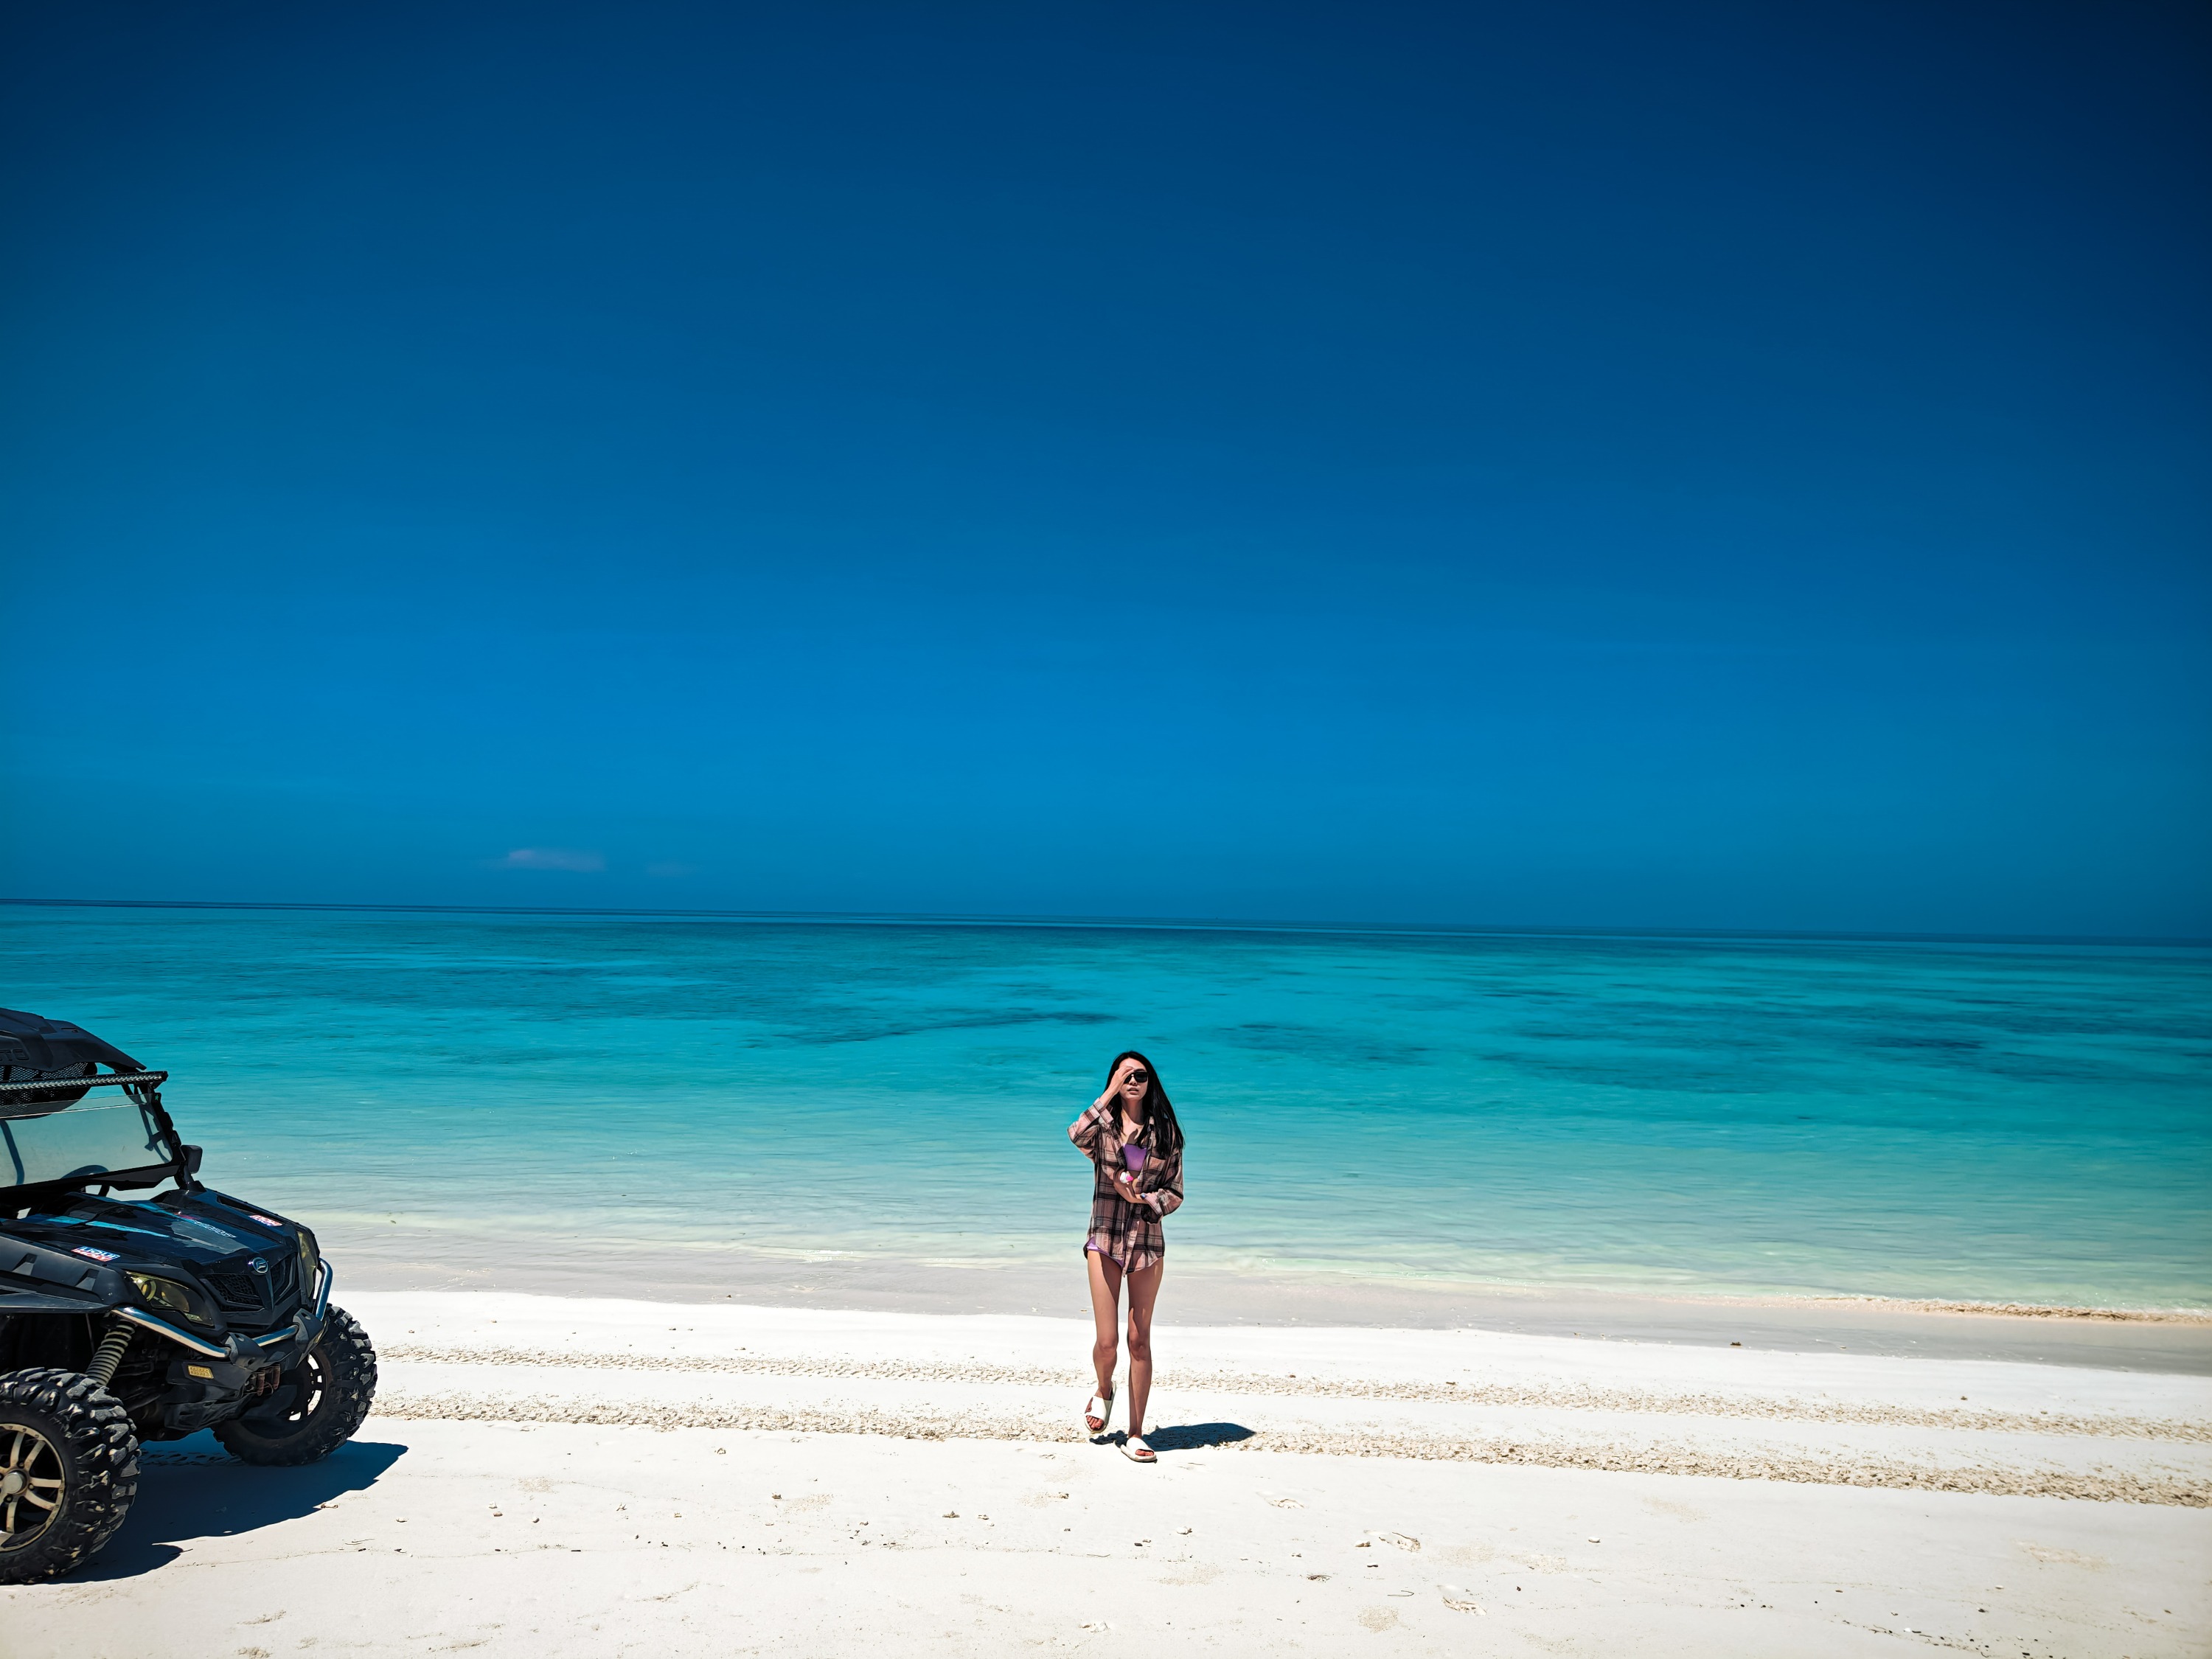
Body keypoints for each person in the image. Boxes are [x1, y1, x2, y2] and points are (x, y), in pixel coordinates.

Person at [1067, 1050, 1184, 1464]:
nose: (1134, 1081)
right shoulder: (1103, 1128)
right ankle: (1103, 1389)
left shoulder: (1167, 1132)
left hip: (1147, 1244)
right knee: (1108, 1341)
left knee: (1139, 1340)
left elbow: (1175, 1193)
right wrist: (1109, 1094)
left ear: (1152, 1082)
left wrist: (1144, 1197)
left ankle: (1135, 1432)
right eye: (1125, 1075)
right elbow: (1075, 1134)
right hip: (1104, 1238)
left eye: (1141, 1075)